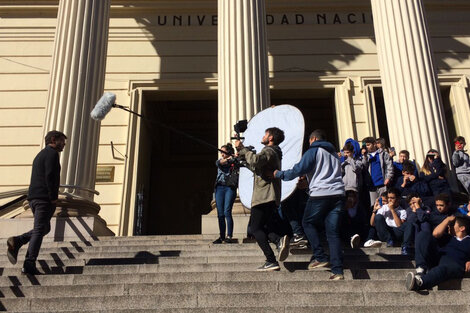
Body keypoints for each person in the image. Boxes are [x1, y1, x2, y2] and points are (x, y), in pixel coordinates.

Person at [274, 129, 346, 280]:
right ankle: (338, 271)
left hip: (320, 194)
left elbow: (298, 169)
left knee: (307, 223)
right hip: (338, 194)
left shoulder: (314, 151)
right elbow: (327, 174)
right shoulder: (334, 154)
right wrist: (307, 183)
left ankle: (320, 256)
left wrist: (279, 174)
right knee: (333, 233)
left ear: (313, 139)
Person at [6, 130, 67, 275]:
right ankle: (29, 263)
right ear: (53, 139)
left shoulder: (40, 155)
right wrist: (53, 197)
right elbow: (50, 177)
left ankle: (18, 241)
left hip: (34, 198)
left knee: (44, 228)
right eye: (62, 141)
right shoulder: (52, 155)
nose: (64, 144)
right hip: (44, 199)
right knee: (40, 229)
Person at [235, 127, 289, 271]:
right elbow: (257, 167)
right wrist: (243, 157)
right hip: (270, 196)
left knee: (255, 228)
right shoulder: (274, 153)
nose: (263, 136)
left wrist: (243, 149)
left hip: (264, 195)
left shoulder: (269, 151)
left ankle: (271, 259)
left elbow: (256, 160)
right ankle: (278, 241)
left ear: (270, 138)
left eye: (265, 134)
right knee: (264, 227)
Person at [406, 215, 470, 290]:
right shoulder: (448, 238)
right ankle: (420, 270)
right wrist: (447, 220)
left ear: (462, 228)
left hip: (455, 266)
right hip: (439, 261)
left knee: (442, 269)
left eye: (452, 224)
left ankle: (418, 283)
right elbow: (435, 233)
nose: (449, 226)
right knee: (423, 234)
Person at [369, 187, 412, 255]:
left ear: (398, 199)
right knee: (378, 217)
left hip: (396, 232)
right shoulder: (383, 208)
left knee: (409, 224)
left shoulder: (402, 211)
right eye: (388, 198)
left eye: (392, 198)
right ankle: (389, 240)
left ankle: (405, 247)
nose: (389, 200)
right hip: (385, 232)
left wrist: (392, 210)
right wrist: (374, 210)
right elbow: (372, 223)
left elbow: (399, 225)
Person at [213, 143, 237, 244]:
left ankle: (229, 236)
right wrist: (230, 158)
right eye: (221, 152)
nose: (222, 154)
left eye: (223, 152)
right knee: (220, 214)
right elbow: (220, 163)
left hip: (229, 188)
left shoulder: (234, 161)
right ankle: (222, 236)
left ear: (228, 152)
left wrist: (236, 158)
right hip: (219, 187)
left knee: (227, 211)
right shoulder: (220, 161)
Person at [361, 137, 394, 209]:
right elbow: (363, 167)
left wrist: (388, 178)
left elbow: (389, 166)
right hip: (371, 185)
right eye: (366, 145)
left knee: (384, 204)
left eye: (369, 145)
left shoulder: (383, 154)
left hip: (382, 184)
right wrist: (365, 157)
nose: (367, 147)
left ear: (374, 144)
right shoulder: (366, 156)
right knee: (374, 206)